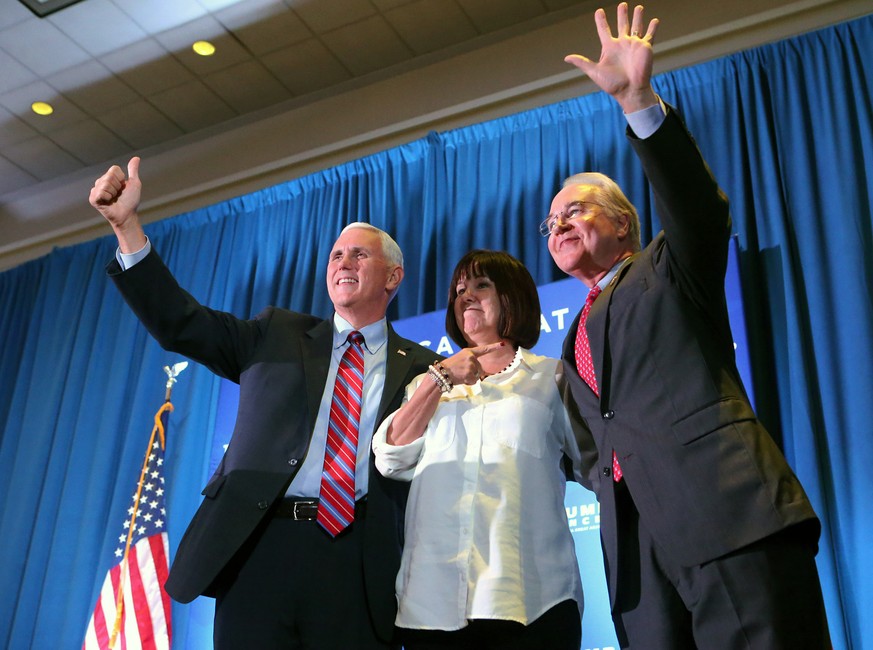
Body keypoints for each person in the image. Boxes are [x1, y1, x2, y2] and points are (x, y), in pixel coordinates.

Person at [545, 3, 831, 648]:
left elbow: (697, 206)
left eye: (576, 210)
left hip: (726, 517)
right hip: (639, 566)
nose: (559, 224)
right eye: (551, 222)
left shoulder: (669, 270)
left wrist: (638, 104)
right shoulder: (572, 337)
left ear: (622, 223)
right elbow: (591, 444)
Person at [88, 156, 435, 649]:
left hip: (358, 562)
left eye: (360, 255)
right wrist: (127, 228)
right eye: (336, 255)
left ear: (393, 277)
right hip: (261, 549)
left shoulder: (424, 369)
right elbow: (179, 322)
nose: (343, 263)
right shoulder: (276, 334)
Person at [371, 250, 591, 650]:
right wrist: (439, 379)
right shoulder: (426, 384)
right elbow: (390, 458)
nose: (466, 297)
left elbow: (595, 464)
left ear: (513, 297)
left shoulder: (551, 378)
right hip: (432, 607)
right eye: (458, 290)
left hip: (532, 599)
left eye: (481, 286)